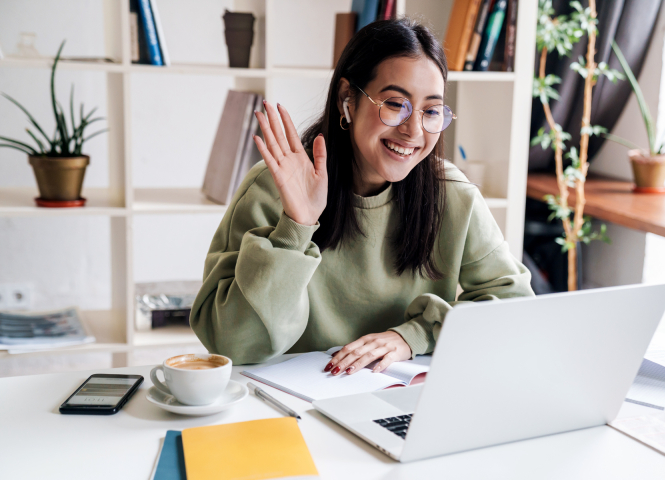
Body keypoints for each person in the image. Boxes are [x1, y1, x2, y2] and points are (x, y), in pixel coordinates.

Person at [190, 17, 534, 376]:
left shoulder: (451, 194)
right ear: (348, 100)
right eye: (394, 103)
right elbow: (233, 345)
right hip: (293, 404)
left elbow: (516, 309)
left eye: (431, 111)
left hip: (405, 398)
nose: (413, 130)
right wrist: (297, 226)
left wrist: (414, 336)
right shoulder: (272, 186)